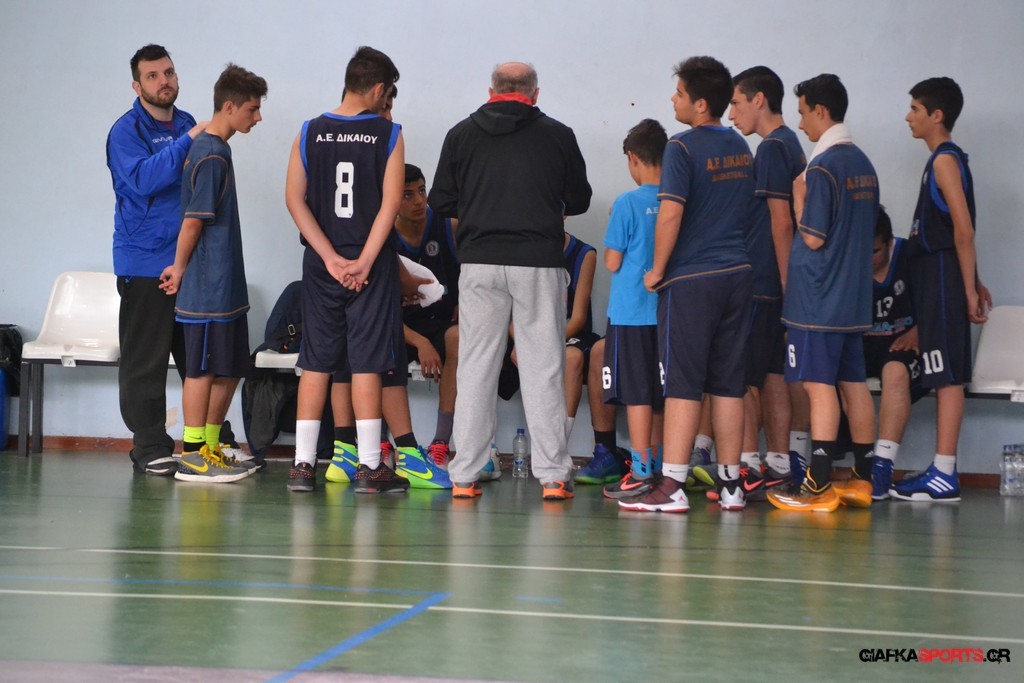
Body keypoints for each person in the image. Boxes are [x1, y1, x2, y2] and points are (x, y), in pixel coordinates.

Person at [430, 61, 592, 501]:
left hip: (479, 261)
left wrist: (480, 207)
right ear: (535, 94)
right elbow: (579, 199)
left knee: (475, 366)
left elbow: (441, 199)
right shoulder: (558, 134)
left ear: (491, 92)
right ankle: (553, 477)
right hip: (538, 262)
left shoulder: (461, 134)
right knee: (543, 367)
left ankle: (464, 475)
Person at [620, 56, 755, 513]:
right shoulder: (740, 145)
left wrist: (657, 270)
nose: (672, 100)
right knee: (728, 385)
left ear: (699, 104)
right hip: (738, 274)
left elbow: (671, 213)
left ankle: (672, 486)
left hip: (693, 280)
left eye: (678, 93)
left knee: (681, 384)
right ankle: (732, 485)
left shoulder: (680, 147)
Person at [284, 46, 410, 494]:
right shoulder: (389, 133)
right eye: (388, 92)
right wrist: (365, 260)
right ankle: (370, 466)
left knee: (316, 362)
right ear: (378, 89)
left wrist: (329, 257)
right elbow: (391, 204)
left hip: (323, 264)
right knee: (367, 362)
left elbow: (294, 199)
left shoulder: (309, 130)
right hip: (368, 263)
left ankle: (302, 466)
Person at [767, 74, 880, 513]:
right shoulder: (864, 164)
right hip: (852, 299)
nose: (800, 124)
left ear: (820, 111)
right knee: (854, 385)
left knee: (818, 388)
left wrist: (798, 198)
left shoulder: (822, 168)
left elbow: (813, 237)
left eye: (802, 113)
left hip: (818, 301)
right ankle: (863, 479)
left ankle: (816, 484)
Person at [159, 64, 267, 482]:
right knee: (202, 370)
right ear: (229, 107)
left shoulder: (219, 149)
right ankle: (190, 453)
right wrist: (179, 268)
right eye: (253, 109)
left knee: (229, 367)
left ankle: (209, 445)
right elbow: (192, 221)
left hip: (226, 287)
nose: (258, 117)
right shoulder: (211, 155)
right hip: (206, 288)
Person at [106, 44, 208, 476]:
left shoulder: (186, 123)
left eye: (168, 72)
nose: (163, 81)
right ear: (137, 85)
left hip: (189, 262)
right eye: (152, 75)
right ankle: (149, 446)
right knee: (145, 362)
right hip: (146, 262)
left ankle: (206, 441)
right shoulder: (126, 132)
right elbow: (144, 180)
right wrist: (189, 141)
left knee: (198, 358)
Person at [890, 77, 991, 502]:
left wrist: (967, 289)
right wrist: (975, 279)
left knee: (948, 376)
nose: (907, 116)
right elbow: (957, 232)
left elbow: (963, 231)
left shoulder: (946, 161)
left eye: (915, 109)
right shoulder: (940, 161)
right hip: (940, 276)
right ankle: (940, 469)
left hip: (945, 278)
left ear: (937, 115)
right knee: (939, 371)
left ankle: (945, 473)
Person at [715, 65, 806, 499]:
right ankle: (779, 463)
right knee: (772, 375)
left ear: (759, 100)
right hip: (774, 282)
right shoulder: (790, 143)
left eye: (736, 103)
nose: (731, 114)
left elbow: (781, 221)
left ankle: (748, 464)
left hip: (763, 281)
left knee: (744, 377)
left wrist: (787, 281)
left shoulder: (771, 148)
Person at [584, 119, 666, 499]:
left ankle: (641, 469)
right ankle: (662, 466)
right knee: (662, 394)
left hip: (632, 313)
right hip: (666, 313)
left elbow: (612, 261)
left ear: (633, 158)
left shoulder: (627, 203)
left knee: (637, 394)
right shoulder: (677, 201)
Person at [392, 164, 461, 467]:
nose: (419, 201)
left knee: (461, 338)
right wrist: (420, 343)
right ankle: (383, 443)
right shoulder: (382, 235)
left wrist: (464, 304)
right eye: (408, 195)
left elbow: (475, 274)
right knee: (374, 343)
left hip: (440, 322)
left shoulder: (449, 225)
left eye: (422, 191)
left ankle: (440, 443)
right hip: (398, 325)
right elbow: (378, 310)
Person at [862, 207, 928, 499]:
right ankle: (847, 462)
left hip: (904, 346)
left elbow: (939, 302)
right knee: (826, 370)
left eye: (875, 251)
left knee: (895, 371)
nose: (867, 259)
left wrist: (920, 330)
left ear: (889, 243)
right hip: (862, 347)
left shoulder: (911, 256)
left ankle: (882, 466)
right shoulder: (847, 262)